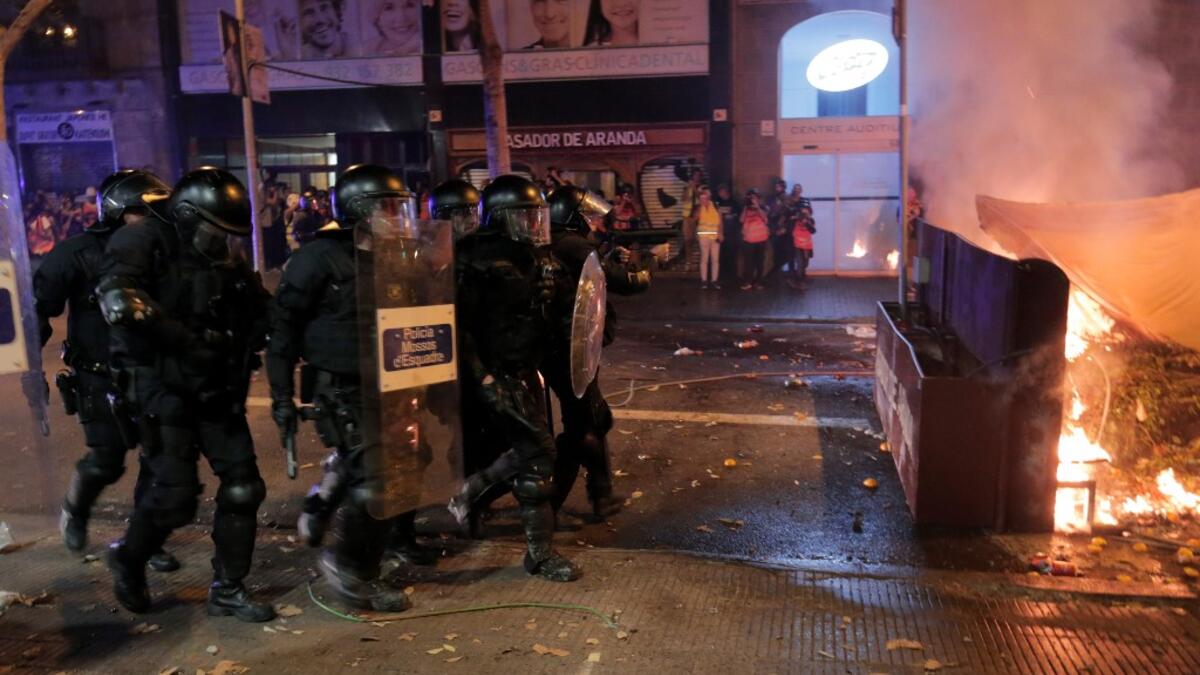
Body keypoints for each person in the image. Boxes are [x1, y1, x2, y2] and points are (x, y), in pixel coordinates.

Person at [98, 167, 274, 621]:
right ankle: (129, 559)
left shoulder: (222, 256)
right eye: (216, 233)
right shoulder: (142, 241)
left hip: (215, 386)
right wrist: (186, 340)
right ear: (189, 217)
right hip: (163, 388)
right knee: (174, 497)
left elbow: (259, 307)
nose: (222, 243)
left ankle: (229, 588)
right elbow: (119, 300)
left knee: (244, 487)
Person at [268, 165, 425, 612]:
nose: (395, 218)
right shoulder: (318, 259)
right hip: (340, 388)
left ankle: (327, 495)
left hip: (390, 381)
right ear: (359, 209)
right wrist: (281, 397)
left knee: (406, 465)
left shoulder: (395, 256)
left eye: (399, 209)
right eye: (386, 208)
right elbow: (282, 332)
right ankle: (352, 568)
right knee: (378, 481)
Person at [34, 170, 180, 574]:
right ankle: (77, 507)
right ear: (117, 211)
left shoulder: (164, 248)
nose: (152, 220)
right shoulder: (76, 253)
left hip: (151, 371)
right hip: (98, 374)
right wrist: (30, 366)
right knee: (107, 459)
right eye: (142, 212)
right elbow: (37, 311)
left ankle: (145, 539)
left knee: (159, 459)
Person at [449, 175, 580, 581]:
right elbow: (459, 328)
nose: (531, 225)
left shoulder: (540, 259)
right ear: (501, 218)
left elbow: (564, 315)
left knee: (531, 452)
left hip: (525, 370)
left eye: (535, 216)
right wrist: (483, 378)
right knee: (539, 456)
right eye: (522, 216)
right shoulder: (473, 261)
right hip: (492, 373)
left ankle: (472, 493)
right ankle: (539, 554)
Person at [542, 185, 649, 520]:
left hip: (565, 345)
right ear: (570, 216)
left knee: (592, 418)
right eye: (586, 216)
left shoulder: (557, 241)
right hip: (570, 348)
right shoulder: (572, 245)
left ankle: (596, 495)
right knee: (586, 425)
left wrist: (605, 256)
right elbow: (625, 282)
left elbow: (589, 276)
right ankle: (550, 504)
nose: (592, 222)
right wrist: (647, 265)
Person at [694, 186, 723, 290]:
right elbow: (695, 218)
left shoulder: (715, 205)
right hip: (703, 237)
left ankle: (714, 280)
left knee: (715, 260)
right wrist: (700, 207)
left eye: (705, 197)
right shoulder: (699, 207)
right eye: (702, 198)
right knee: (704, 259)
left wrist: (721, 233)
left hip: (714, 236)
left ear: (708, 197)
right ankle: (704, 281)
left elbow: (720, 221)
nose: (704, 199)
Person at [739, 189, 769, 290]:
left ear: (758, 198)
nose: (753, 199)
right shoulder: (746, 208)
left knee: (759, 262)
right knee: (748, 262)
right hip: (748, 240)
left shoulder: (762, 207)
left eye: (755, 197)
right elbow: (741, 220)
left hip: (761, 239)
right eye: (751, 198)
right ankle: (748, 282)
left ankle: (759, 282)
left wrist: (758, 207)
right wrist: (745, 207)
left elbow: (765, 219)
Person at [764, 178, 790, 283]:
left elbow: (788, 214)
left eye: (779, 186)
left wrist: (784, 227)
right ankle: (774, 276)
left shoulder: (787, 198)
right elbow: (768, 212)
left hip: (783, 229)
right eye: (776, 186)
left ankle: (774, 274)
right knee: (776, 253)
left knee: (785, 253)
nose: (777, 188)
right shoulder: (771, 198)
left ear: (783, 187)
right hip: (774, 227)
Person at [714, 184, 740, 283]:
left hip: (732, 233)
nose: (720, 194)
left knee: (732, 255)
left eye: (722, 191)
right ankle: (722, 276)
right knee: (721, 255)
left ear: (726, 191)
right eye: (719, 192)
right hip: (720, 232)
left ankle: (732, 276)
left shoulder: (734, 203)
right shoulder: (718, 202)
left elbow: (737, 216)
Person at [789, 205, 816, 287]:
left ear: (809, 213)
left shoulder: (811, 220)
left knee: (805, 264)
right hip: (797, 246)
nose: (804, 214)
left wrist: (807, 222)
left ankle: (800, 277)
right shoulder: (795, 220)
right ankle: (799, 281)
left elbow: (813, 231)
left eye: (806, 213)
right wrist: (795, 218)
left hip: (807, 246)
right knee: (800, 263)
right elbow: (789, 228)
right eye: (803, 212)